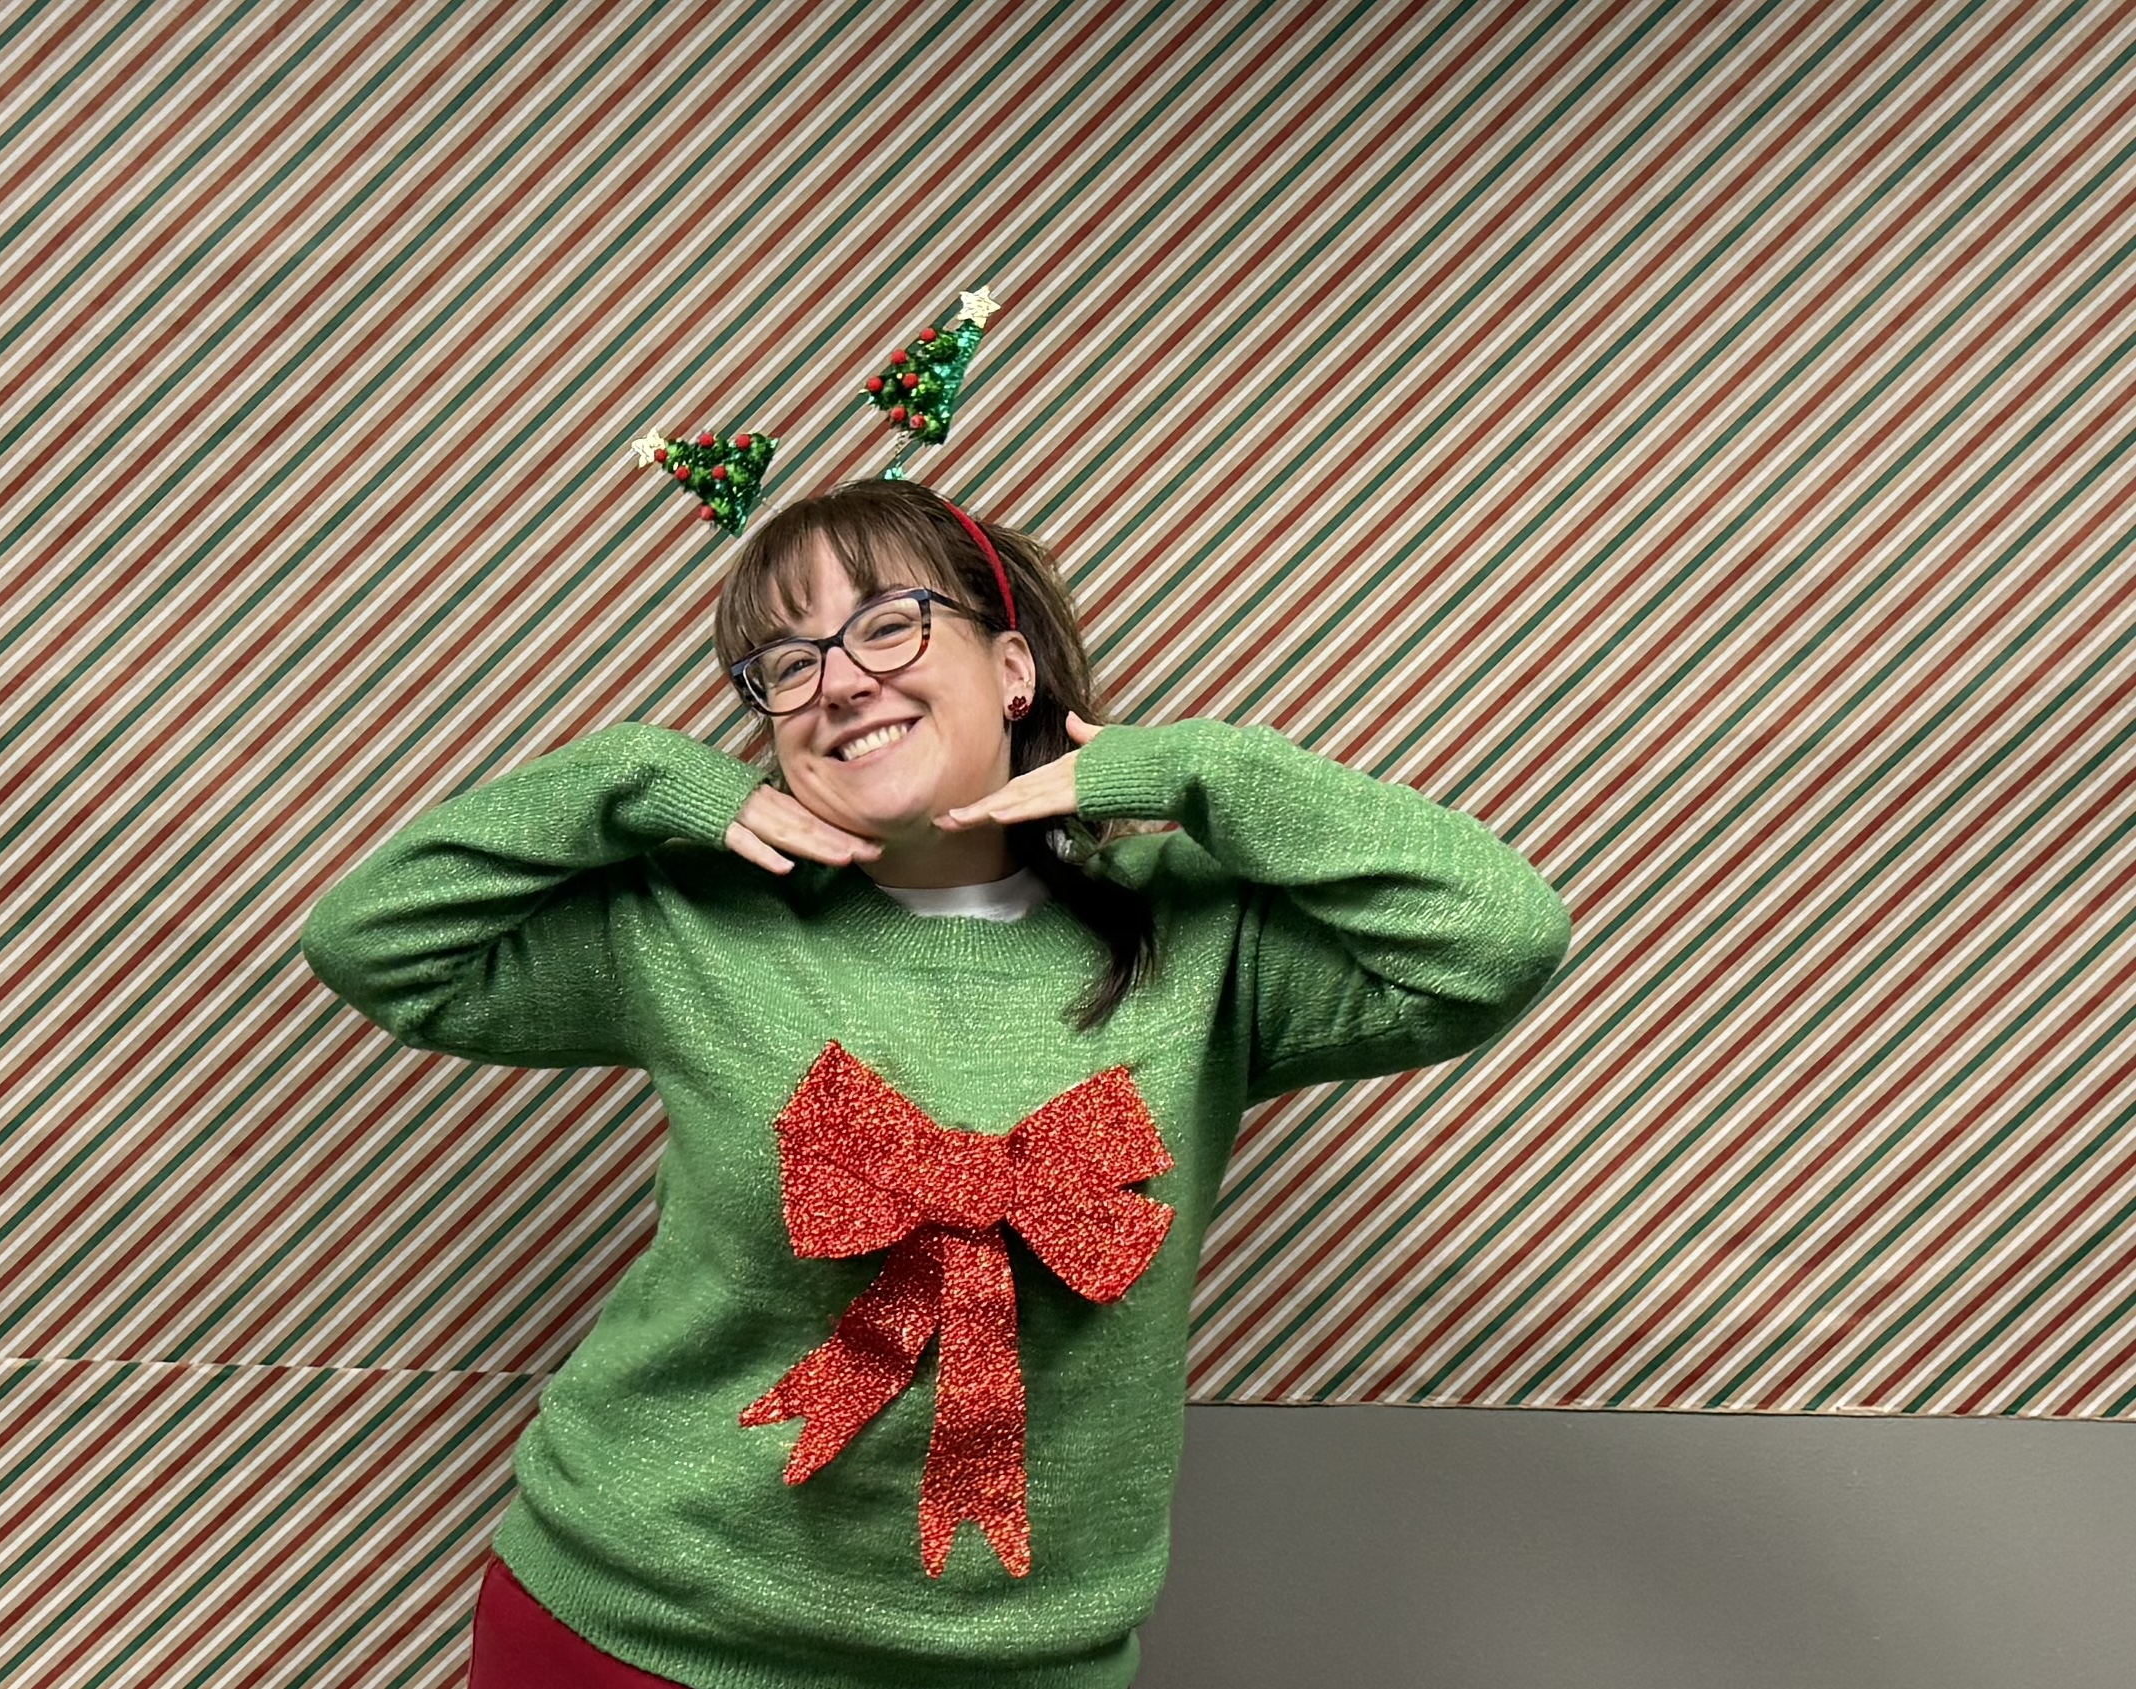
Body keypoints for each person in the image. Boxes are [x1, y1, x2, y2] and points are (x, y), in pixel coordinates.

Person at [299, 477, 1572, 1689]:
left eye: (888, 623)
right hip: (635, 1624)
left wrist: (1196, 772)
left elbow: (1494, 940)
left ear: (1012, 668)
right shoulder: (690, 930)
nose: (839, 681)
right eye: (787, 663)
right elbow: (375, 945)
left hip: (1021, 1662)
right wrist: (632, 780)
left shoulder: (1199, 944)